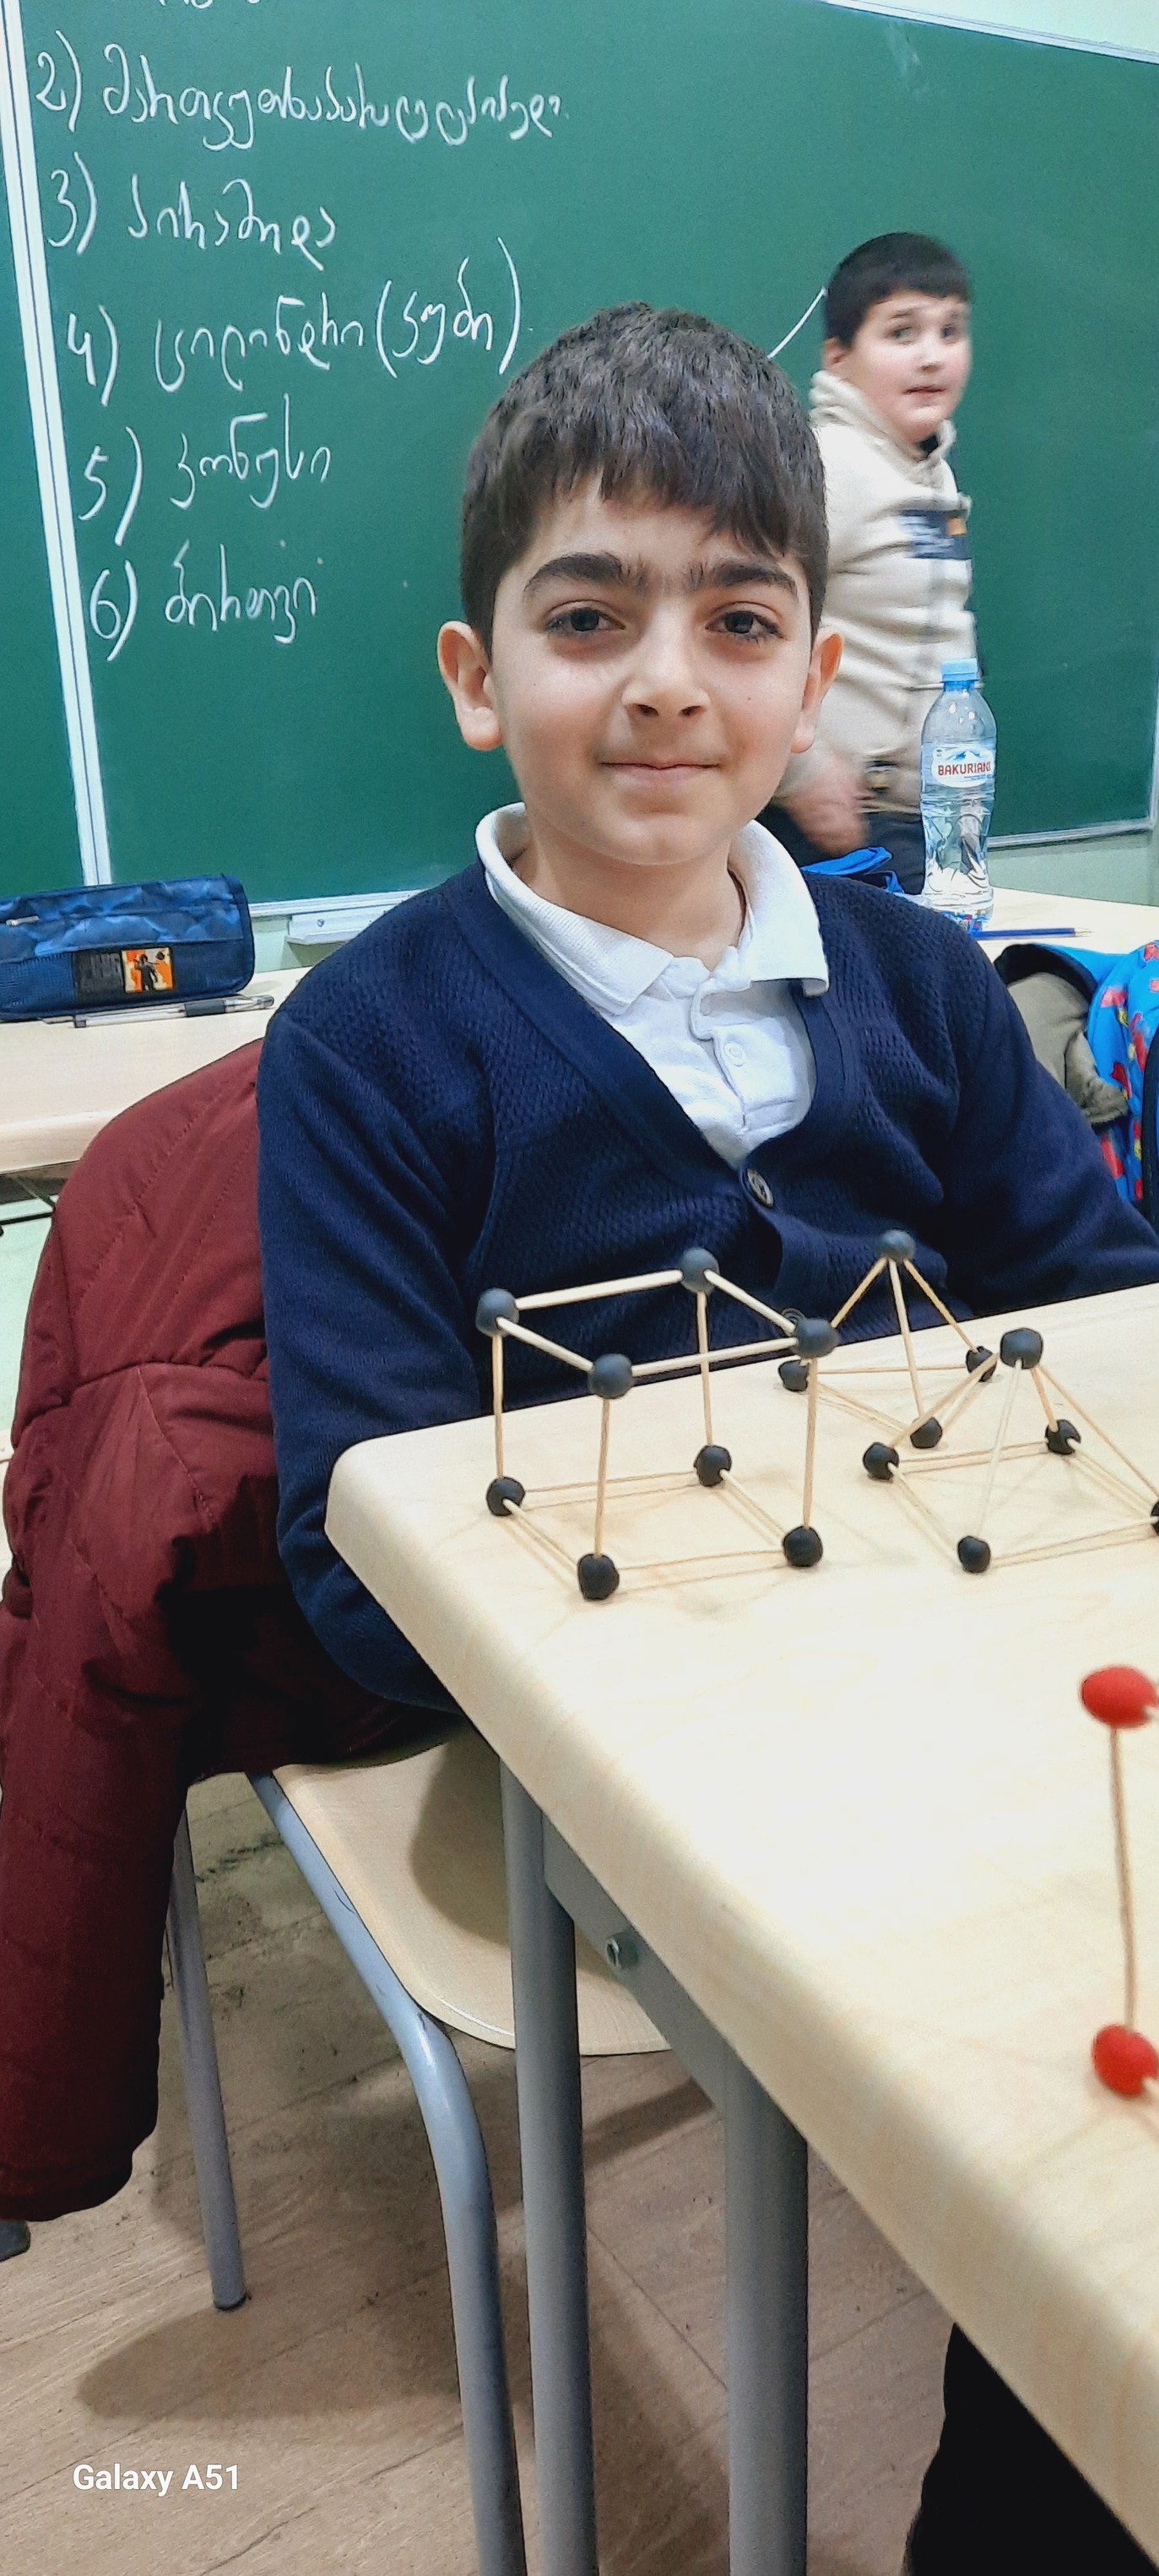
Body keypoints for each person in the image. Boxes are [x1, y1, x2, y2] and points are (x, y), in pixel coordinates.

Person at [255, 303, 1159, 2571]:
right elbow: (356, 1570)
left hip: (975, 1674)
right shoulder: (368, 1047)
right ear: (476, 674)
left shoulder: (923, 988)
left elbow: (1099, 1312)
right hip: (638, 1771)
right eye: (589, 617)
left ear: (814, 672)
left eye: (738, 621)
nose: (667, 680)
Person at [765, 231, 975, 894]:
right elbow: (732, 623)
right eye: (901, 332)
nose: (931, 355)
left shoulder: (926, 471)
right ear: (838, 356)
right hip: (834, 826)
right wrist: (797, 771)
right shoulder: (829, 466)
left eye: (949, 330)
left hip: (921, 819)